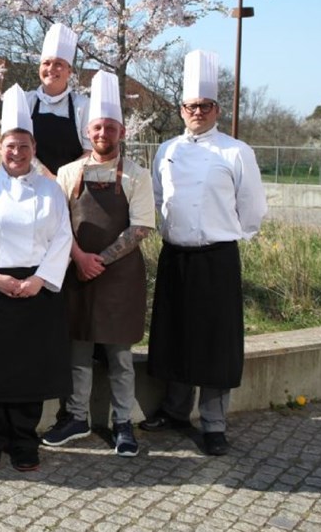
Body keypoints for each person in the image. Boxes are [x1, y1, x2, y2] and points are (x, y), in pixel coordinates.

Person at [139, 50, 267, 456]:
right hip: (176, 255)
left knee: (215, 343)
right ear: (181, 109)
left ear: (216, 109)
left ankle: (213, 423)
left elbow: (252, 208)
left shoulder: (236, 152)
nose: (198, 112)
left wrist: (226, 235)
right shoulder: (167, 150)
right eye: (191, 106)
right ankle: (175, 411)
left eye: (205, 106)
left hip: (216, 257)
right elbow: (159, 198)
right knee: (175, 335)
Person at [0, 84, 72, 472]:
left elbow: (62, 238)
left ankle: (24, 441)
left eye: (24, 146)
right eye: (10, 145)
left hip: (36, 292)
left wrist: (39, 280)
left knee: (29, 372)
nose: (17, 153)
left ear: (34, 149)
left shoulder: (51, 191)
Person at [41, 71, 154, 457]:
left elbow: (140, 227)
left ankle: (124, 422)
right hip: (78, 273)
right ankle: (76, 417)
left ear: (121, 131)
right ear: (88, 132)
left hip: (120, 277)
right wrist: (79, 258)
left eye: (110, 127)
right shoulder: (69, 173)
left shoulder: (138, 175)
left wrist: (99, 261)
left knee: (120, 357)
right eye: (97, 127)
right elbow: (57, 222)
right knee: (79, 351)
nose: (103, 133)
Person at [26, 23, 90, 180]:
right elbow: (19, 147)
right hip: (32, 182)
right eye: (46, 63)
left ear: (69, 71)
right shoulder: (27, 101)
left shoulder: (82, 105)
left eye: (59, 64)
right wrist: (46, 175)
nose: (51, 69)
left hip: (73, 186)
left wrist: (62, 179)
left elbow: (90, 151)